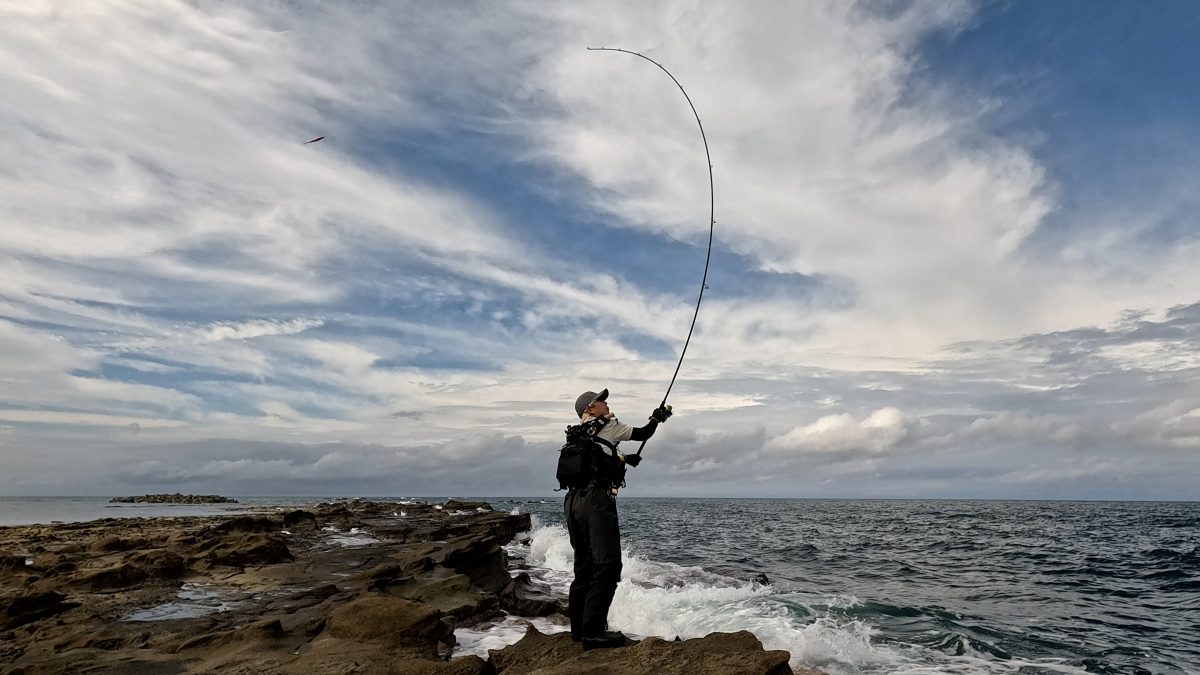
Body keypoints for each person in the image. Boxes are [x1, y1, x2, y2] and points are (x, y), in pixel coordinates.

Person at [564, 388, 672, 649]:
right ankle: (593, 633)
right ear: (590, 409)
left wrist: (623, 458)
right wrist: (657, 417)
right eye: (601, 401)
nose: (606, 403)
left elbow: (599, 457)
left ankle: (578, 630)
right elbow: (643, 433)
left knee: (584, 567)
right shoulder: (609, 425)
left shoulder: (577, 433)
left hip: (572, 502)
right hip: (596, 501)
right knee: (609, 566)